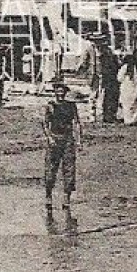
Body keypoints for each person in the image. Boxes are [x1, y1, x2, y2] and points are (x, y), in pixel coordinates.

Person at [41, 82, 84, 211]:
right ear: (54, 93)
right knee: (51, 169)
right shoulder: (50, 106)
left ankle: (67, 197)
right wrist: (49, 137)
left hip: (67, 140)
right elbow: (45, 123)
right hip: (54, 139)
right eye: (58, 92)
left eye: (62, 92)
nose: (60, 94)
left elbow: (77, 123)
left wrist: (79, 140)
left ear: (65, 93)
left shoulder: (71, 106)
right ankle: (48, 195)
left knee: (69, 169)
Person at [117, 54, 137, 125]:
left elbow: (119, 78)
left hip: (126, 85)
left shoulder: (124, 67)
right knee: (133, 103)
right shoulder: (134, 68)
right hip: (132, 86)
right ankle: (134, 118)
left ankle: (128, 119)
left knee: (126, 103)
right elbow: (136, 79)